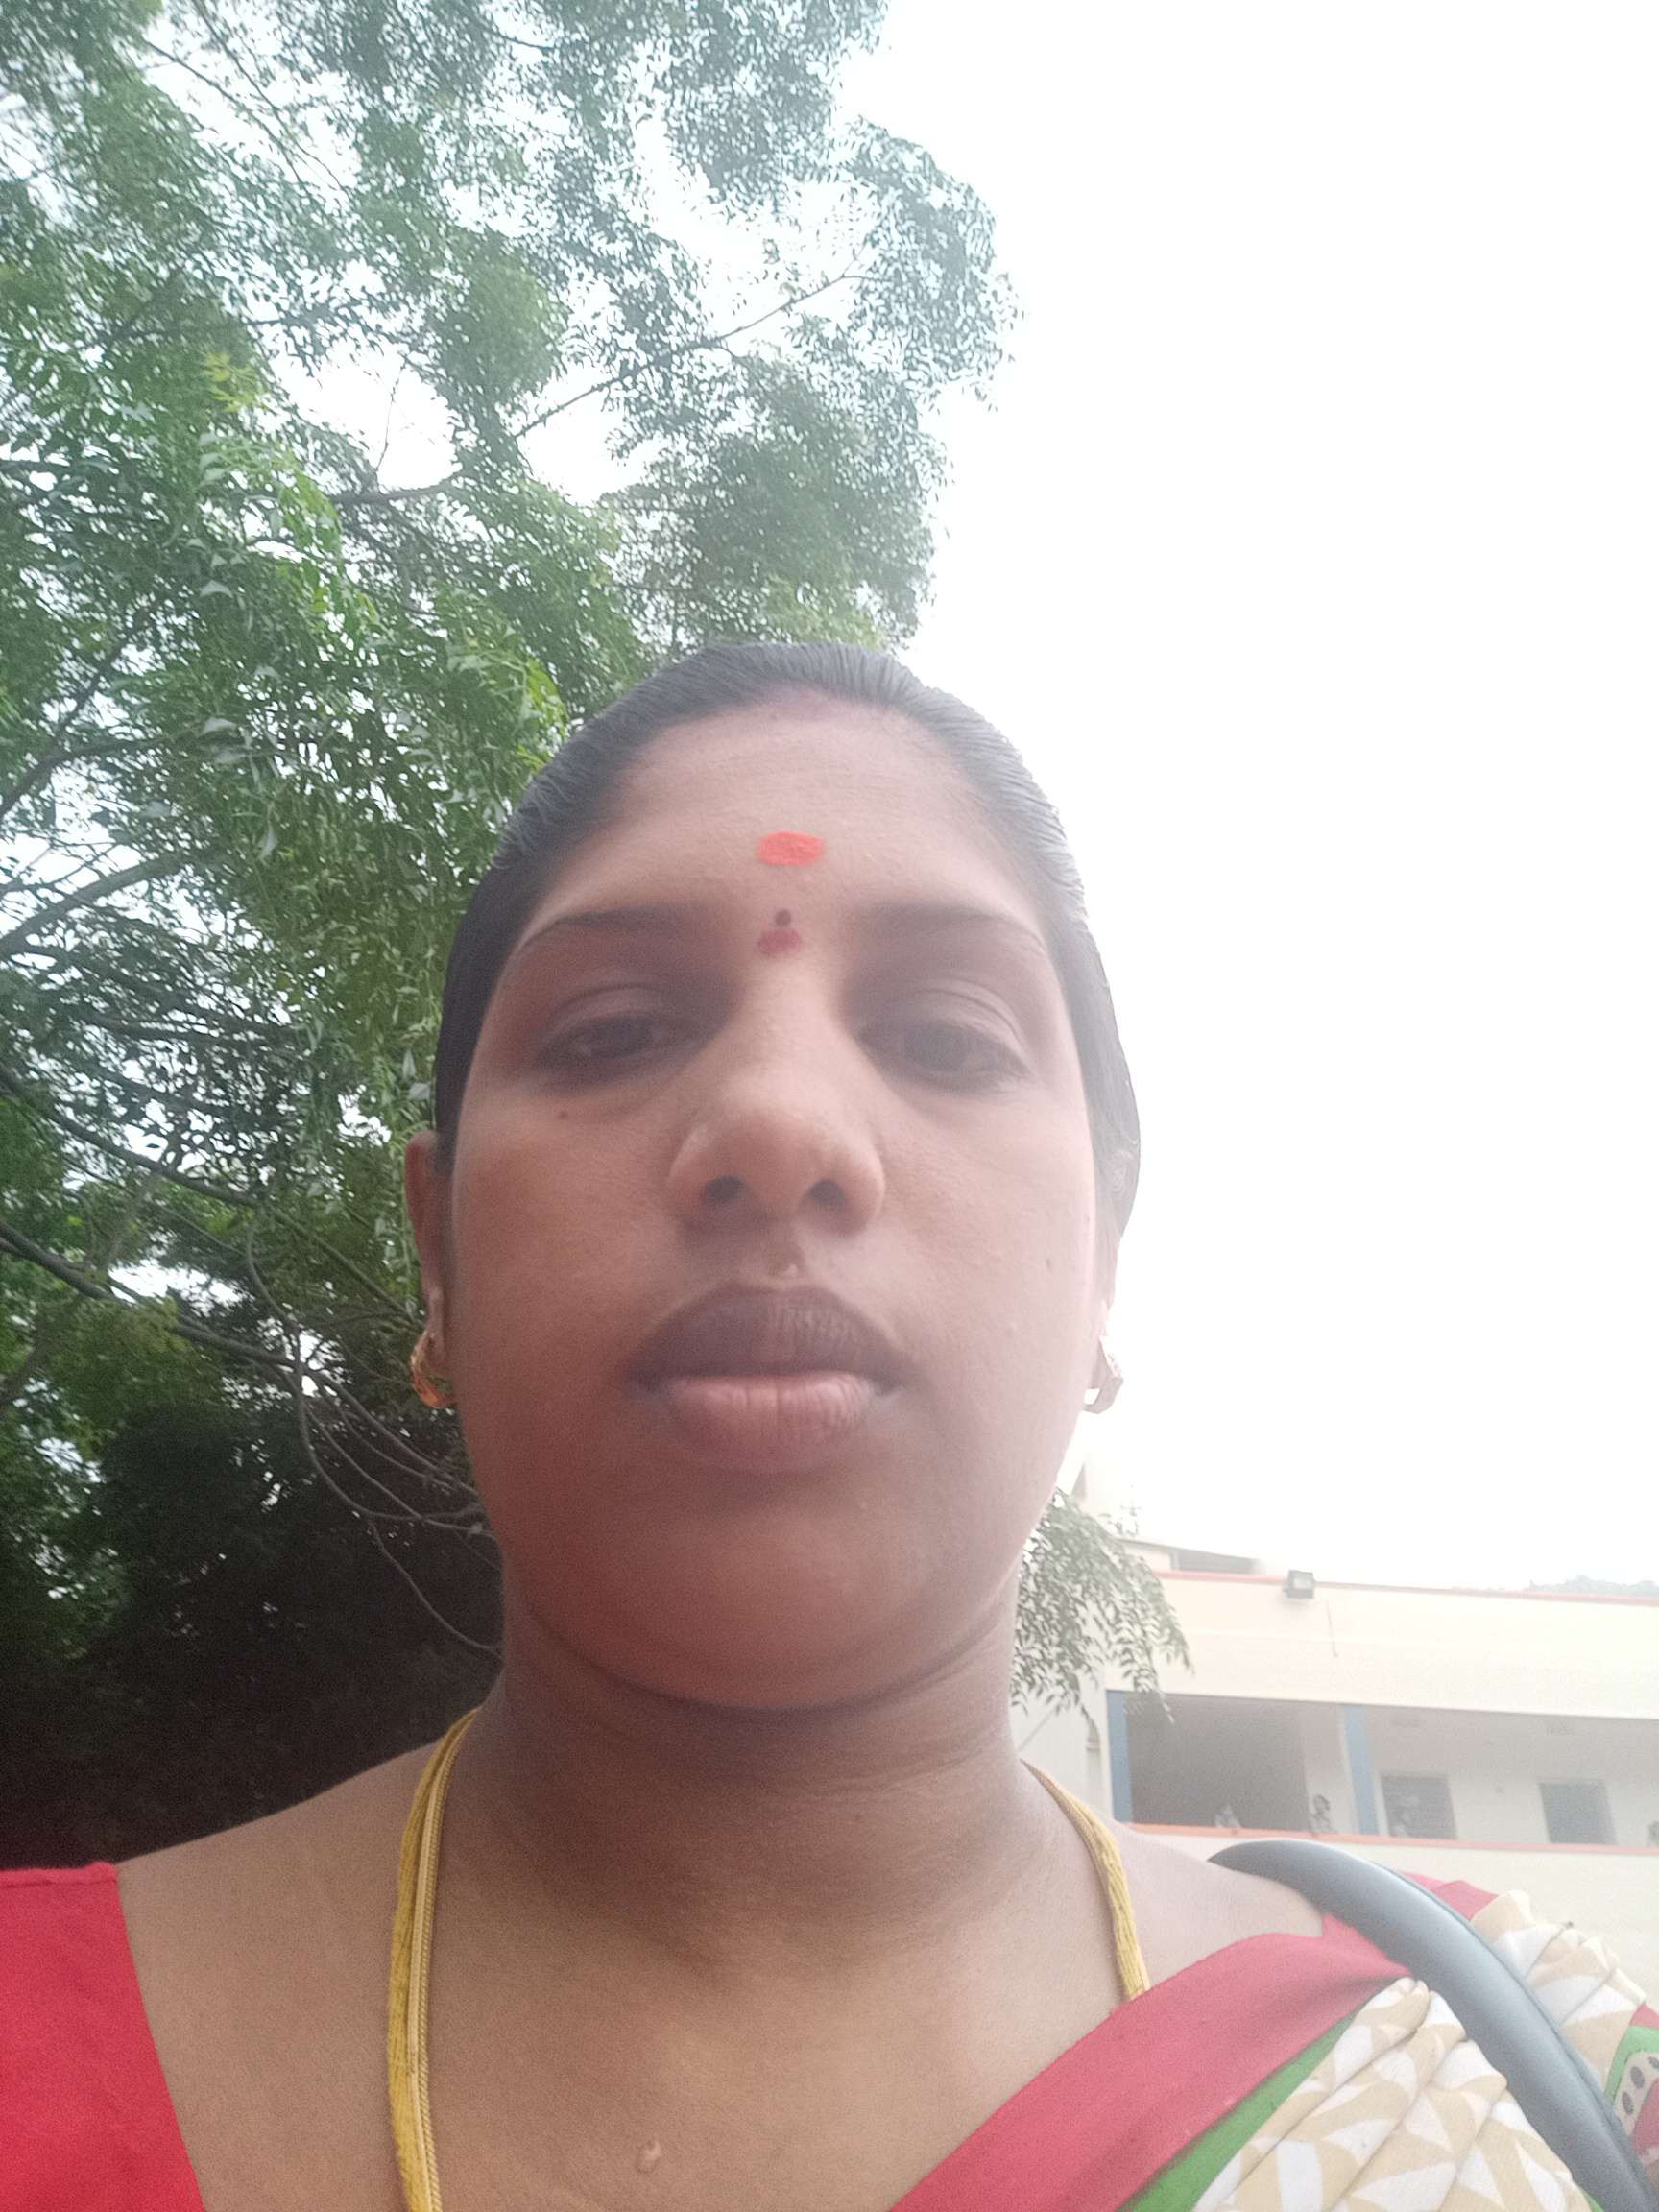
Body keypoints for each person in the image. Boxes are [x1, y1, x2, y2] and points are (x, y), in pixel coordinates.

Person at [3, 643, 1655, 2211]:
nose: (779, 1125)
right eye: (613, 1033)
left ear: (1104, 1261)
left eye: (946, 1038)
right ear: (440, 1252)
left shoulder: (1524, 2085)